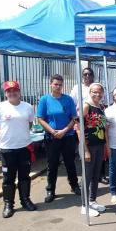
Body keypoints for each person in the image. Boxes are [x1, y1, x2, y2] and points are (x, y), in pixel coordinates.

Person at [0, 81, 37, 218]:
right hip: (7, 149)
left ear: (19, 92)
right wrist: (5, 136)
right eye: (9, 91)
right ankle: (8, 204)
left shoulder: (28, 107)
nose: (12, 93)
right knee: (8, 179)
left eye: (15, 90)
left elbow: (29, 124)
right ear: (5, 93)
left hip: (24, 147)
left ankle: (25, 200)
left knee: (25, 177)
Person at [37, 74, 80, 204]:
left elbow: (74, 118)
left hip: (68, 137)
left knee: (70, 163)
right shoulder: (44, 99)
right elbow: (40, 118)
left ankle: (74, 185)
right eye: (55, 84)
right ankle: (51, 190)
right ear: (51, 84)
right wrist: (52, 131)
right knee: (52, 165)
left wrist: (64, 131)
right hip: (52, 137)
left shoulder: (68, 99)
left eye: (60, 84)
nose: (58, 87)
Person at [76, 83, 108, 217]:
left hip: (99, 146)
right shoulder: (86, 106)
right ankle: (84, 205)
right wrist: (85, 149)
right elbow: (78, 128)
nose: (97, 94)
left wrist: (105, 146)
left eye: (100, 92)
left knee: (96, 175)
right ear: (90, 92)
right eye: (94, 92)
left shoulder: (100, 106)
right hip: (88, 146)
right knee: (87, 176)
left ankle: (92, 200)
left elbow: (103, 127)